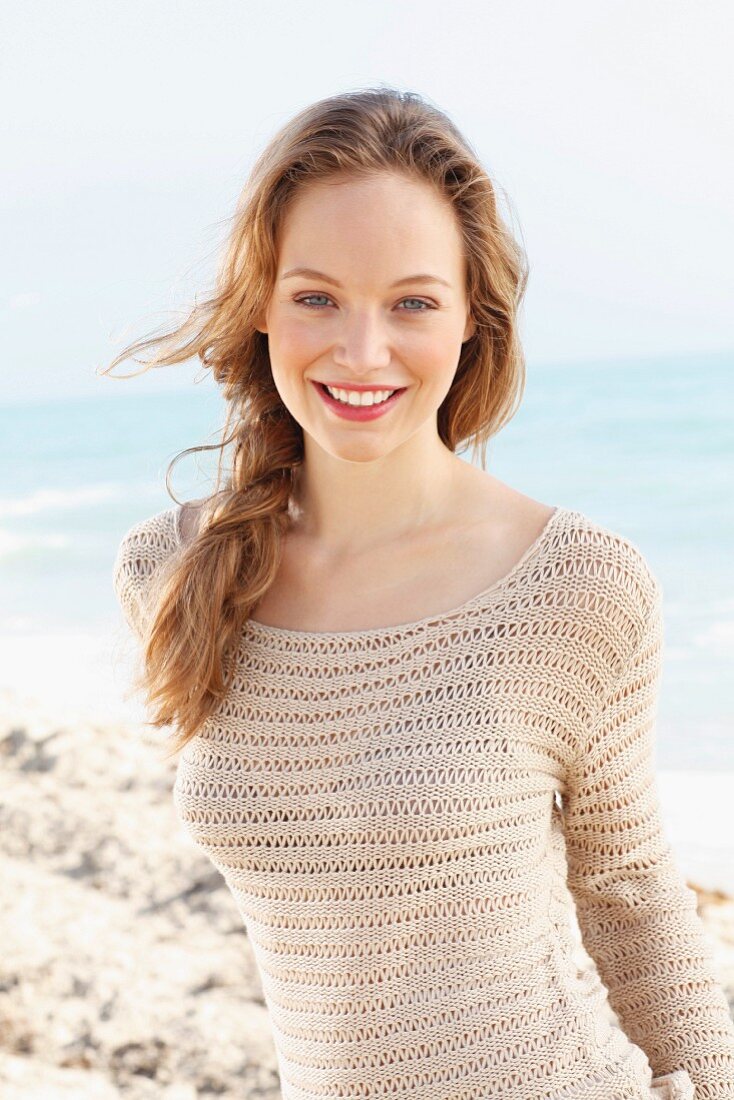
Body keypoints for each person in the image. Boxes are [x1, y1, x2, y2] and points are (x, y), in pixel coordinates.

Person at [107, 87, 734, 1098]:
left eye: (410, 301)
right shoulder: (172, 573)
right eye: (315, 295)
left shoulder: (576, 584)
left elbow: (631, 895)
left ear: (470, 321)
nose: (361, 351)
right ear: (261, 301)